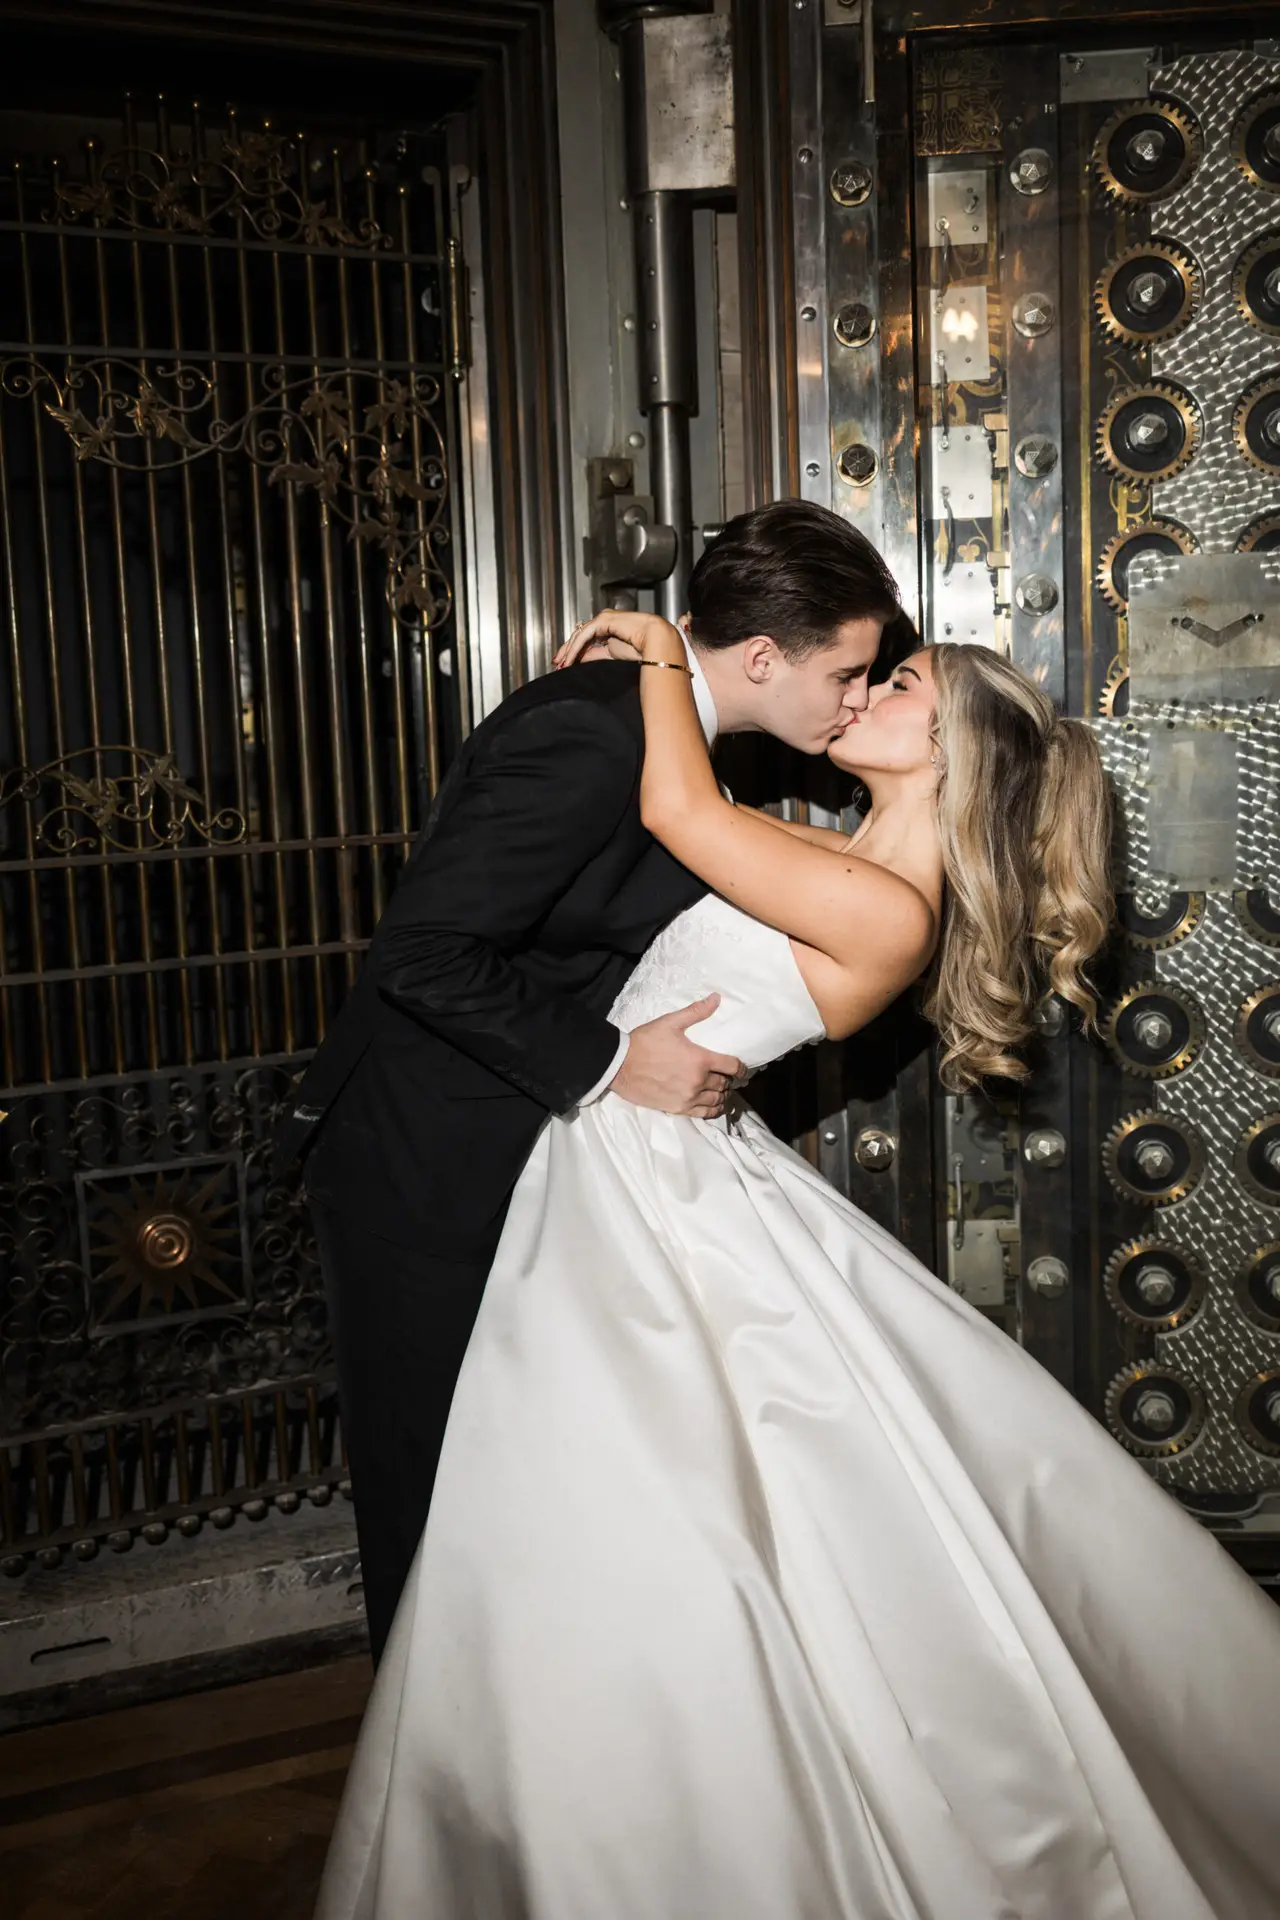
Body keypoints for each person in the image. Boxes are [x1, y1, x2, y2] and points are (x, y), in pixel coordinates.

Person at [317, 610, 1280, 1920]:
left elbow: (675, 805)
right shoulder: (840, 858)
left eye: (901, 683)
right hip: (622, 1161)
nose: (869, 693)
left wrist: (660, 644)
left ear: (947, 749)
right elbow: (680, 848)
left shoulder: (884, 905)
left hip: (647, 1183)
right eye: (874, 672)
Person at [275, 501, 903, 1665]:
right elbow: (422, 954)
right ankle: (435, 1763)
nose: (855, 699)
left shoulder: (662, 735)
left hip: (531, 1165)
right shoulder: (594, 734)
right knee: (435, 1505)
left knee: (520, 1500)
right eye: (847, 673)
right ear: (762, 658)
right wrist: (617, 1061)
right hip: (429, 1170)